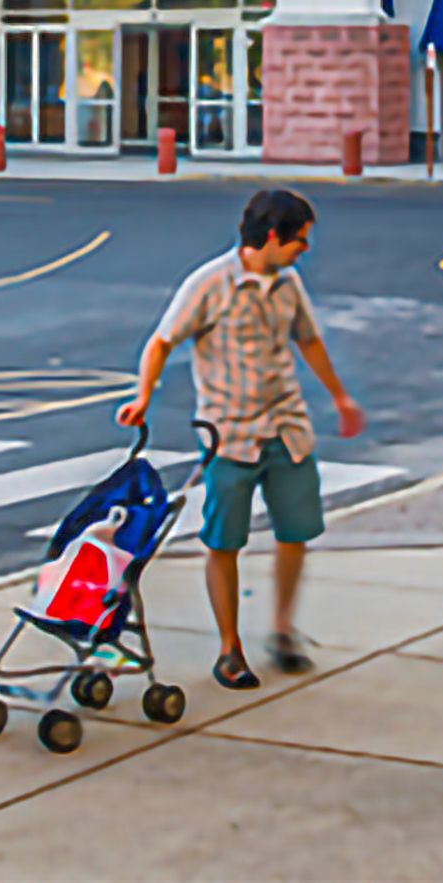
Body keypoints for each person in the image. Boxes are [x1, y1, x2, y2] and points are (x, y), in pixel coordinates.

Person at [116, 188, 365, 690]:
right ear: (271, 237)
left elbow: (308, 339)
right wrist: (144, 395)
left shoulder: (289, 284)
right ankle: (230, 649)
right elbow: (162, 340)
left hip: (287, 429)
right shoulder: (209, 284)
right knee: (224, 541)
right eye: (300, 240)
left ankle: (282, 630)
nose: (305, 250)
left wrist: (340, 397)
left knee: (295, 533)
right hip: (229, 434)